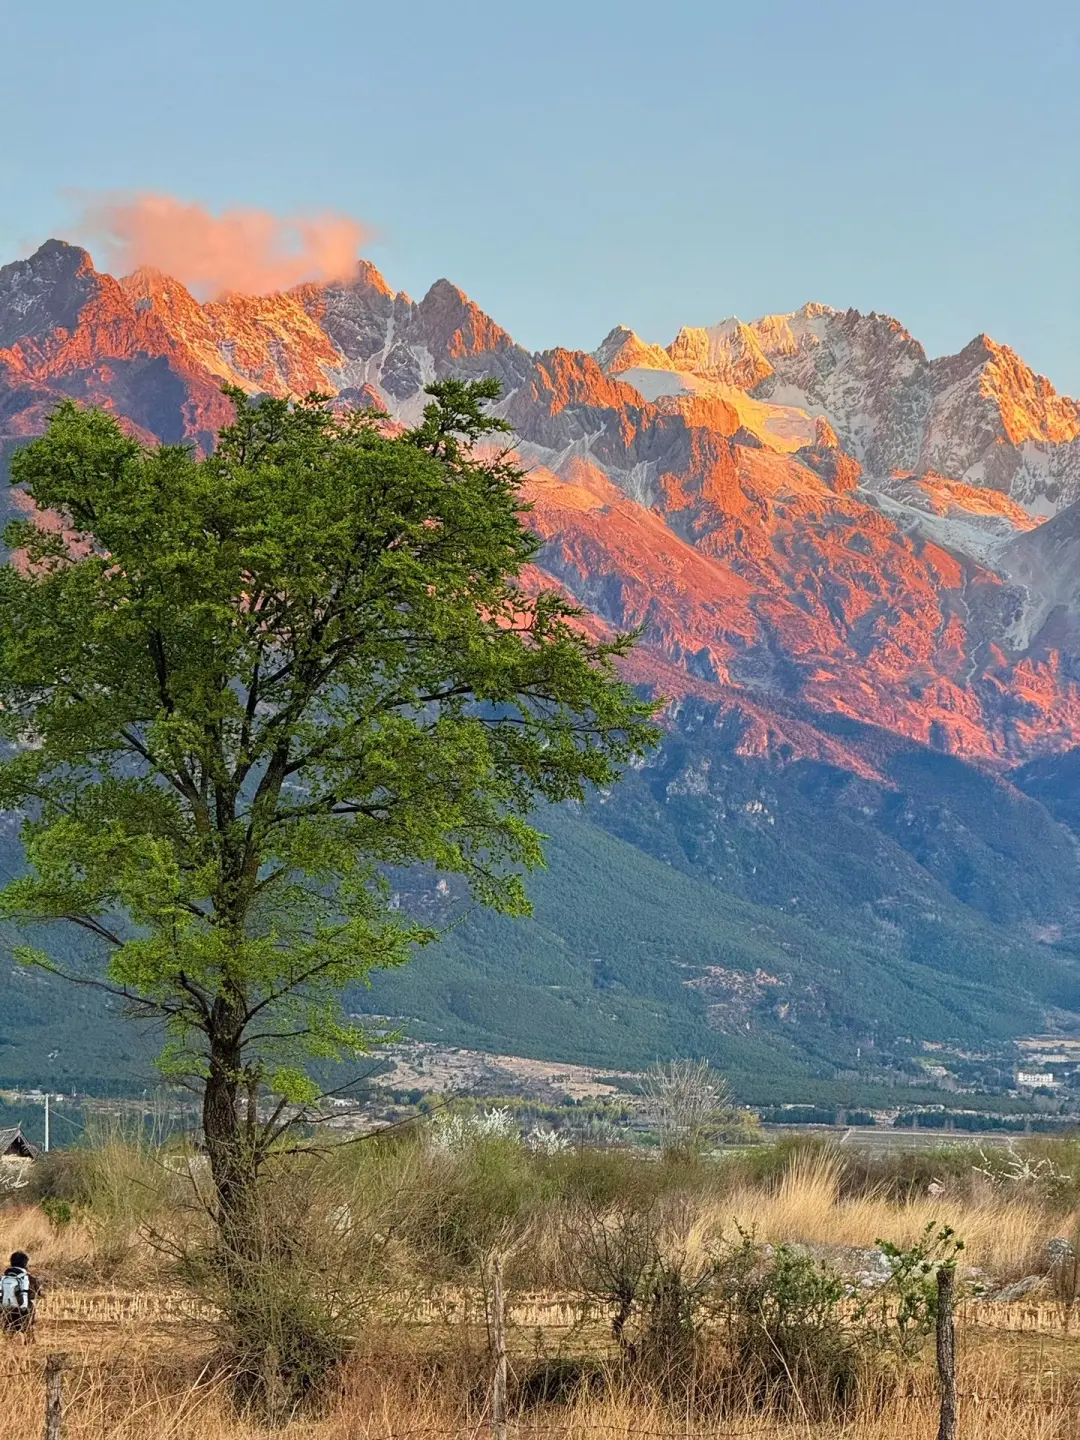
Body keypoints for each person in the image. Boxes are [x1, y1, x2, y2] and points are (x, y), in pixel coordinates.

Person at [1, 1251, 42, 1337]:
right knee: (31, 1306)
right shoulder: (30, 1279)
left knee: (7, 1336)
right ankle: (29, 1338)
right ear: (25, 1264)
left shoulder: (3, 1278)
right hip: (23, 1315)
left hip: (5, 1315)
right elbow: (38, 1294)